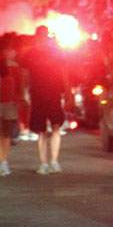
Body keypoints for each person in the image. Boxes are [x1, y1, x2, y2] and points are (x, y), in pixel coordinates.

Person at [21, 26, 73, 174]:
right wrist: (22, 94)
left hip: (53, 94)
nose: (43, 38)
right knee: (41, 130)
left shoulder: (56, 53)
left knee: (56, 126)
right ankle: (44, 162)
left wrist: (69, 94)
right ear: (37, 37)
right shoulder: (30, 54)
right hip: (37, 95)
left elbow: (64, 74)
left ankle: (54, 161)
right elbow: (24, 75)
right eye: (40, 36)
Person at [0, 35, 26, 176]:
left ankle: (4, 161)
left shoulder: (15, 66)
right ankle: (1, 162)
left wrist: (21, 99)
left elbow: (20, 85)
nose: (12, 51)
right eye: (9, 48)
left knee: (6, 134)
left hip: (10, 103)